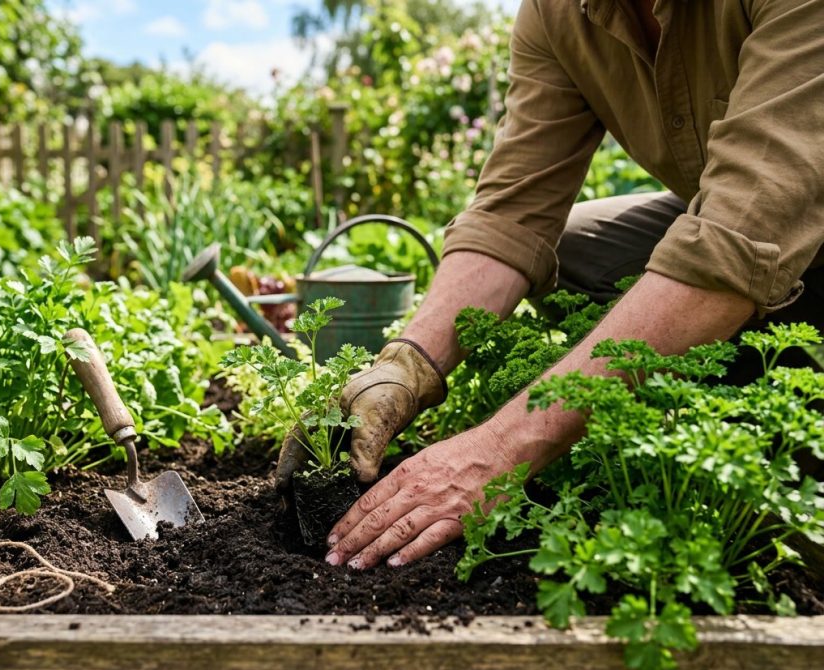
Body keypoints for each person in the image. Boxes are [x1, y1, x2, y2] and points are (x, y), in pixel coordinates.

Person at [275, 0, 824, 570]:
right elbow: (512, 214)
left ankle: (784, 464)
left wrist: (500, 448)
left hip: (786, 221)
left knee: (791, 548)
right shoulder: (557, 12)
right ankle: (709, 403)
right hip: (742, 228)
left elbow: (738, 238)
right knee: (576, 251)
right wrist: (404, 370)